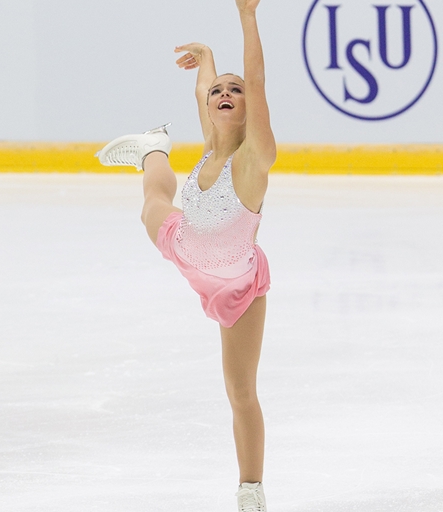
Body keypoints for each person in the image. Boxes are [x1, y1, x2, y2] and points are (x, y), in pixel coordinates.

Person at [95, 1, 275, 510]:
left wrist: (247, 17)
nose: (224, 93)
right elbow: (205, 89)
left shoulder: (252, 160)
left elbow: (257, 84)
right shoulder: (211, 149)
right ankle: (154, 145)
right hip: (186, 247)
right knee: (154, 202)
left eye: (234, 91)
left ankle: (250, 490)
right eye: (219, 89)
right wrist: (209, 61)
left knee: (240, 393)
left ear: (249, 107)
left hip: (235, 285)